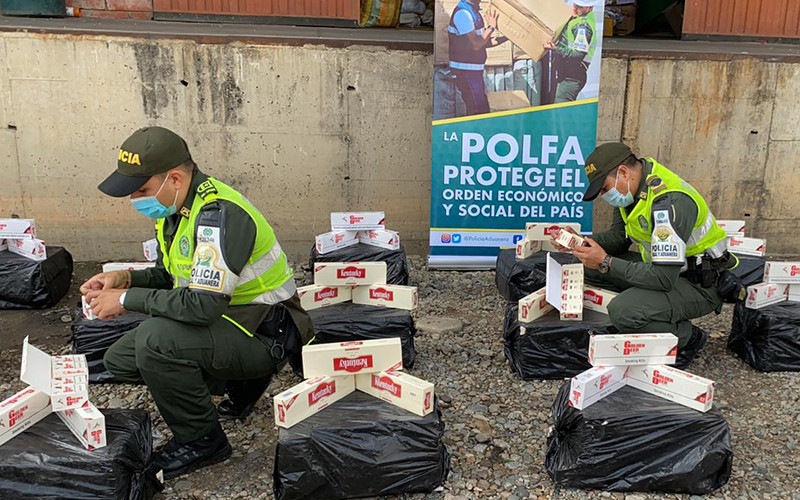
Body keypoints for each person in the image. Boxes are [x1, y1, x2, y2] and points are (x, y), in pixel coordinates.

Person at [81, 126, 314, 479]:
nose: (134, 201)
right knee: (121, 359)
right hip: (229, 321)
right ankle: (238, 383)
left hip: (265, 332)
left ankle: (203, 440)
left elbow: (202, 307)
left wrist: (126, 299)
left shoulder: (218, 215)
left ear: (174, 178)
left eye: (141, 190)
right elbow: (169, 275)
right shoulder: (175, 210)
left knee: (156, 342)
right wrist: (123, 278)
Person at [555, 142, 737, 354]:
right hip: (667, 269)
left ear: (623, 172)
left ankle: (687, 337)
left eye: (605, 188)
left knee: (623, 310)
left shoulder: (668, 203)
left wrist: (605, 262)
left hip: (699, 283)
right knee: (584, 263)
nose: (605, 196)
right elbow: (619, 237)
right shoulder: (632, 191)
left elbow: (663, 278)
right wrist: (581, 243)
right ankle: (647, 307)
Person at [447, 0, 507, 116]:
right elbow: (476, 44)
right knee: (477, 112)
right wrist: (491, 27)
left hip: (473, 72)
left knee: (481, 108)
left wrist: (508, 38)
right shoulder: (463, 14)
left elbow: (484, 42)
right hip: (465, 73)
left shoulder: (473, 11)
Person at [542, 1, 597, 104]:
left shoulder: (582, 26)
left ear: (589, 8)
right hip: (567, 74)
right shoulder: (578, 19)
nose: (575, 8)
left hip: (572, 76)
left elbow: (578, 54)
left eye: (580, 6)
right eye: (575, 4)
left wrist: (556, 49)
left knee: (561, 111)